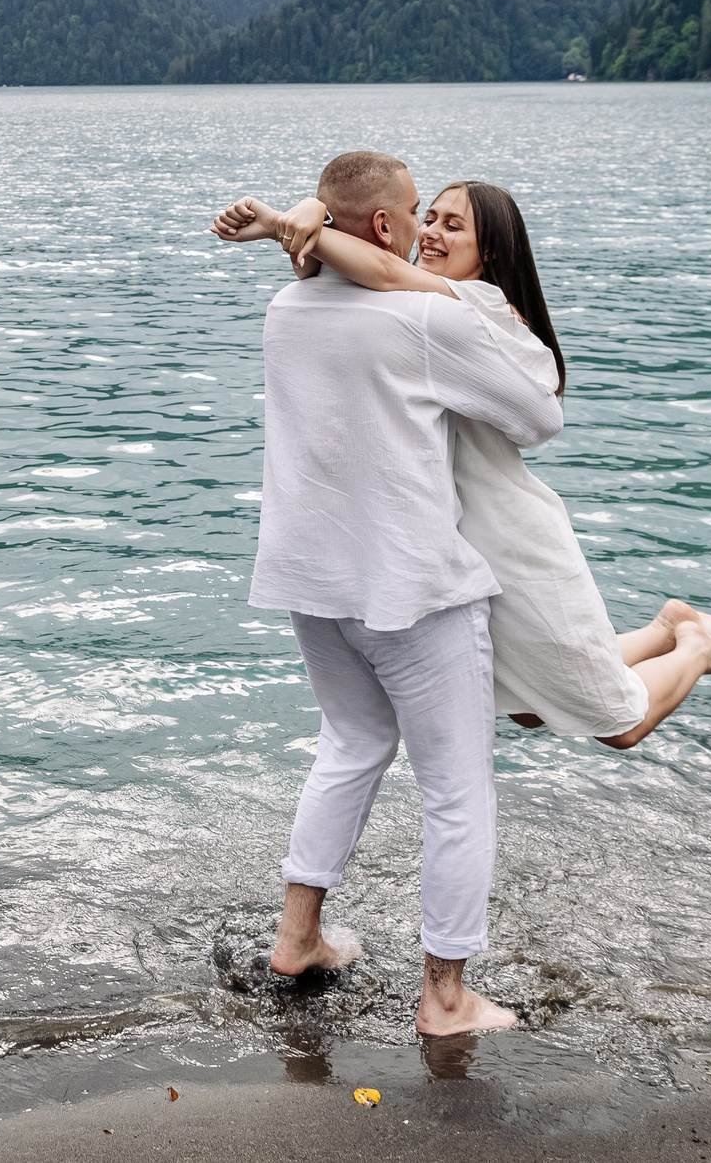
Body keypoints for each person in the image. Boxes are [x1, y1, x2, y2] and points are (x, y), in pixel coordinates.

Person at [211, 179, 711, 750]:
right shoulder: (410, 308)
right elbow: (355, 271)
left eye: (455, 227)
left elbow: (382, 271)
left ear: (491, 254)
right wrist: (309, 222)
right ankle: (663, 627)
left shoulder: (473, 303)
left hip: (510, 541)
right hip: (457, 548)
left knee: (619, 726)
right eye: (430, 218)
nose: (430, 233)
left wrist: (293, 221)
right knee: (526, 708)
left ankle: (695, 647)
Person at [223, 150, 565, 1036]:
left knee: (353, 741)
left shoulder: (285, 307)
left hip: (313, 580)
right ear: (383, 228)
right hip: (414, 589)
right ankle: (446, 998)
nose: (424, 229)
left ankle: (298, 937)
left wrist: (303, 228)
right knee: (457, 788)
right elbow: (538, 413)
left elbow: (334, 267)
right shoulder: (419, 318)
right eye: (416, 213)